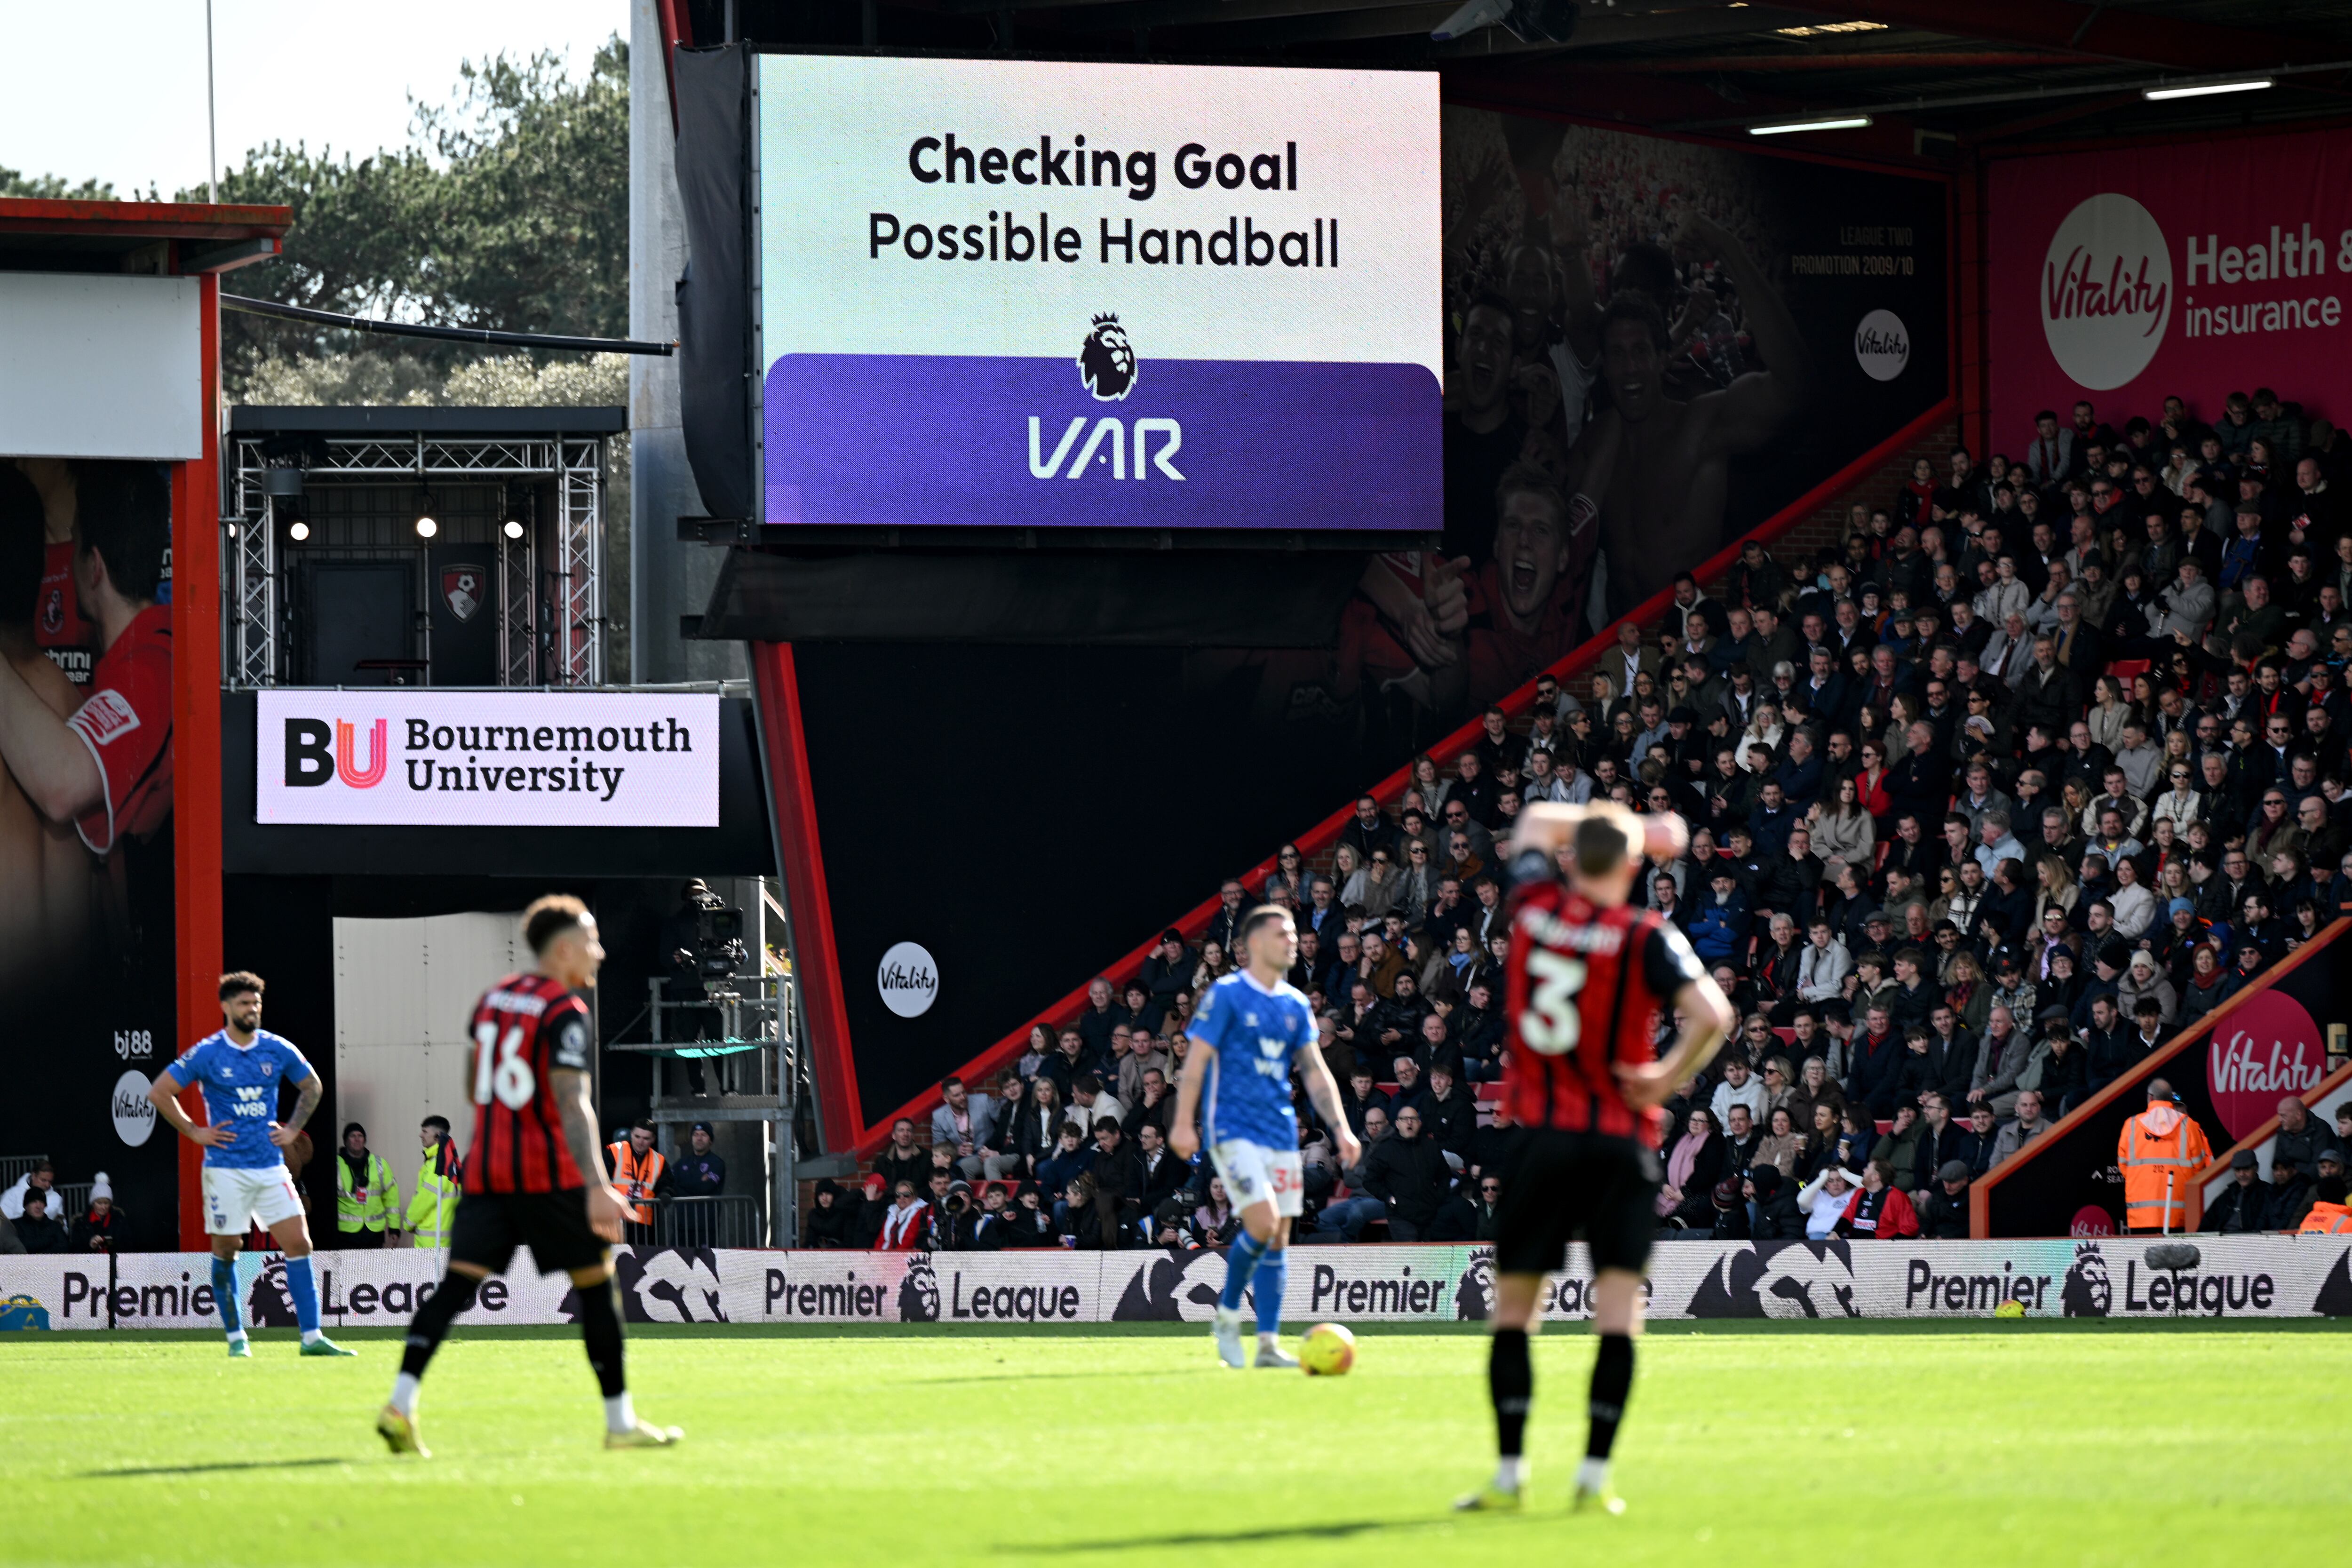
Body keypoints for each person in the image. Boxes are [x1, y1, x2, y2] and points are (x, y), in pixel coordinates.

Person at [1458, 802, 1732, 1517]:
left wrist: (1637, 829)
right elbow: (1714, 1015)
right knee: (1617, 1315)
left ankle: (1510, 1473)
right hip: (1619, 1140)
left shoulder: (1534, 907)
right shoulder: (1644, 932)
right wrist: (1666, 1079)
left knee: (1515, 1314)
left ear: (1572, 861)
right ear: (1635, 868)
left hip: (1538, 1135)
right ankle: (1591, 1477)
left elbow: (1530, 826)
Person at [378, 896, 678, 1456]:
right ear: (563, 950)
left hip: (489, 1175)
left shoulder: (493, 999)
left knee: (455, 1287)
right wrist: (595, 1185)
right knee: (596, 1288)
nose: (600, 951)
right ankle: (619, 1424)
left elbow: (474, 1080)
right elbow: (572, 1101)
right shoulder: (565, 1009)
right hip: (546, 1178)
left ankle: (401, 1402)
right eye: (591, 939)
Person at [1170, 905, 1360, 1370]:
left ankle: (1268, 1345)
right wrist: (1180, 1121)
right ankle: (1228, 1318)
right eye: (1283, 934)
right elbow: (1195, 1062)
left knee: (1276, 1237)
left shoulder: (1294, 1003)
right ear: (1256, 943)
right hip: (1232, 1129)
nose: (1293, 941)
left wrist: (1340, 1127)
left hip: (1278, 1130)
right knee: (1261, 1223)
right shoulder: (1227, 995)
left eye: (1294, 934)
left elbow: (1315, 1072)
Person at [146, 972, 349, 1359]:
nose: (252, 1010)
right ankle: (238, 1338)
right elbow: (160, 1092)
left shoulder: (275, 1048)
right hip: (226, 1170)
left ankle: (312, 1338)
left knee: (300, 1243)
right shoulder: (208, 1053)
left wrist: (292, 1130)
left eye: (256, 1003)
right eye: (244, 1003)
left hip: (271, 1167)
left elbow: (313, 1086)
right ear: (225, 1006)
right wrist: (195, 1131)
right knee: (227, 1248)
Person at [2115, 1078, 2213, 1234]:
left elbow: (2124, 1165)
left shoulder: (2131, 1125)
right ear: (2170, 1099)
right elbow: (2200, 1166)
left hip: (2141, 1216)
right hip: (2177, 1214)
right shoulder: (2189, 1126)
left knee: (2145, 1258)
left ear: (2150, 1098)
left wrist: (2141, 1176)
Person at [333, 1122, 402, 1249]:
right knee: (350, 1269)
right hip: (347, 1232)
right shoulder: (336, 1164)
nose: (357, 1139)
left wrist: (394, 1228)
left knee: (373, 1268)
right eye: (353, 1136)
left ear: (365, 1140)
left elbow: (392, 1199)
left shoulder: (379, 1164)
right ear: (346, 1141)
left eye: (360, 1136)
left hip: (374, 1231)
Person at [606, 1119, 670, 1243]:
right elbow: (601, 1177)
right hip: (615, 1217)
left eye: (646, 1139)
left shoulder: (659, 1160)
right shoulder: (615, 1151)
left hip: (642, 1222)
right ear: (631, 1134)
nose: (641, 1142)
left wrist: (665, 1194)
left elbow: (667, 1184)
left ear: (653, 1140)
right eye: (637, 1137)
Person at [406, 1116, 462, 1249]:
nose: (421, 1135)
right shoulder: (449, 1162)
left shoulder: (438, 1164)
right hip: (444, 1238)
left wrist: (409, 1222)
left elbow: (426, 1199)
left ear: (437, 1136)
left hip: (431, 1241)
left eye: (425, 1132)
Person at [2203, 1150, 2271, 1234]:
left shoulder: (2267, 1193)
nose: (2242, 1174)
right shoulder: (2228, 1194)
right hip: (2222, 1242)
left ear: (2256, 1168)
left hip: (2250, 1243)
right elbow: (2206, 1224)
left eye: (2246, 1169)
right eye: (2238, 1170)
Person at [671, 1121, 727, 1199]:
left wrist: (679, 1185)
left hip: (706, 1211)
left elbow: (705, 1189)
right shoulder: (681, 1163)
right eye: (696, 1135)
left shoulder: (717, 1163)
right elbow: (670, 1185)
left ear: (710, 1140)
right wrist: (698, 1182)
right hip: (683, 1211)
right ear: (692, 1139)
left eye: (704, 1135)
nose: (699, 1138)